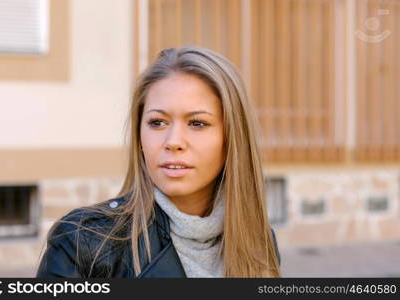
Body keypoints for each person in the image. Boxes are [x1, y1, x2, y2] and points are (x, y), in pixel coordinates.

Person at [36, 46, 281, 278]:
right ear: (139, 135)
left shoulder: (259, 242)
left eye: (197, 123)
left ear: (232, 139)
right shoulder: (82, 241)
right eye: (157, 122)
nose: (173, 142)